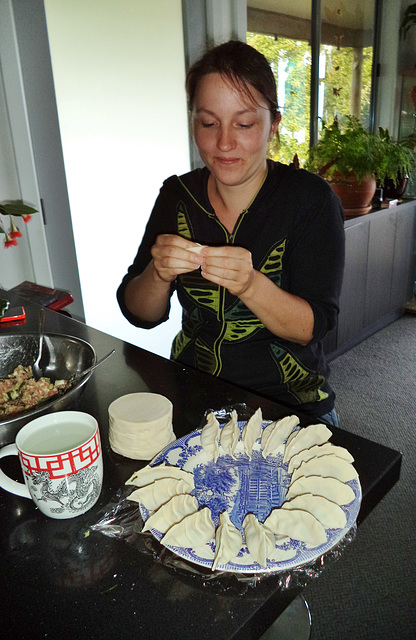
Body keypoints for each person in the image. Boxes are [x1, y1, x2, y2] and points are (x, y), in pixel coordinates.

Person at [117, 40, 345, 426]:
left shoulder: (310, 200)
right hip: (193, 393)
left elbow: (312, 327)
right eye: (208, 123)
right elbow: (139, 313)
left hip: (291, 407)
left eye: (243, 124)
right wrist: (157, 273)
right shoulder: (178, 195)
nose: (224, 142)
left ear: (274, 124)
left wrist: (251, 285)